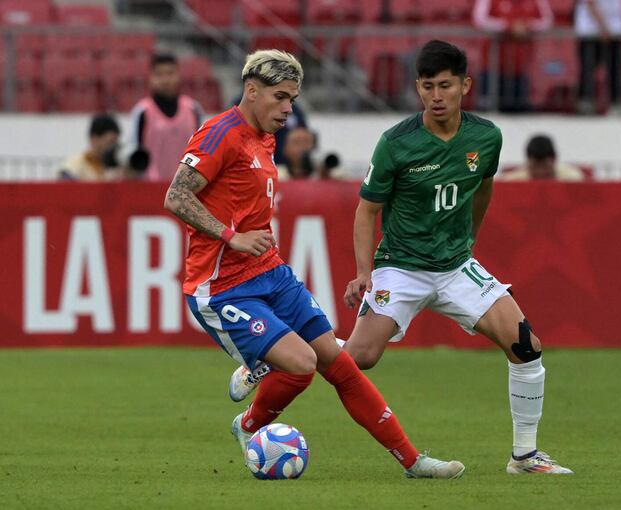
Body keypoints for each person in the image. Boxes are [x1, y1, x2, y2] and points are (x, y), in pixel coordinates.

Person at [163, 49, 463, 479]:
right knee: (302, 364)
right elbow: (176, 196)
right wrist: (232, 236)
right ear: (252, 90)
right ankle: (255, 384)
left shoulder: (266, 137)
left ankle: (413, 461)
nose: (289, 109)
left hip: (270, 272)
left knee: (337, 363)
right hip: (223, 286)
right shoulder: (219, 133)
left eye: (293, 99)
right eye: (281, 97)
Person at [341, 40, 570, 474]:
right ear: (418, 88)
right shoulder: (396, 143)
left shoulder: (486, 137)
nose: (436, 96)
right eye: (427, 86)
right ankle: (290, 352)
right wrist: (364, 272)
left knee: (526, 346)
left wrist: (470, 242)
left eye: (445, 85)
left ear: (465, 85)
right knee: (360, 358)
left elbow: (483, 187)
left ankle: (524, 456)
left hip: (455, 267)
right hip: (401, 266)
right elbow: (366, 210)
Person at [129, 53, 203, 182]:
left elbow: (201, 151)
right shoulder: (142, 111)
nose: (165, 79)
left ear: (178, 75)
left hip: (186, 187)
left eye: (170, 73)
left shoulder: (193, 109)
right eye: (159, 74)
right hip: (151, 186)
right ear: (150, 78)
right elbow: (134, 151)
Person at [472, 0, 554, 112]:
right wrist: (509, 26)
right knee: (488, 110)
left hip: (521, 66)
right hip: (492, 66)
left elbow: (547, 21)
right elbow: (480, 19)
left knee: (518, 111)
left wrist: (527, 26)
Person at [574, 0, 621, 115]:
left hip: (614, 30)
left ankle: (616, 102)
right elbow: (590, 3)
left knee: (615, 68)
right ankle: (586, 102)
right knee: (588, 68)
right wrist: (603, 27)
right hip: (591, 30)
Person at [59, 114, 125, 181]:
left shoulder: (117, 167)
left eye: (115, 143)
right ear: (94, 139)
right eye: (110, 142)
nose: (113, 147)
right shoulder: (72, 167)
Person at [499, 134, 585, 180]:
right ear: (528, 162)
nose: (540, 172)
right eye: (534, 167)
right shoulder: (512, 181)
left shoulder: (573, 179)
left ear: (554, 160)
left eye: (545, 166)